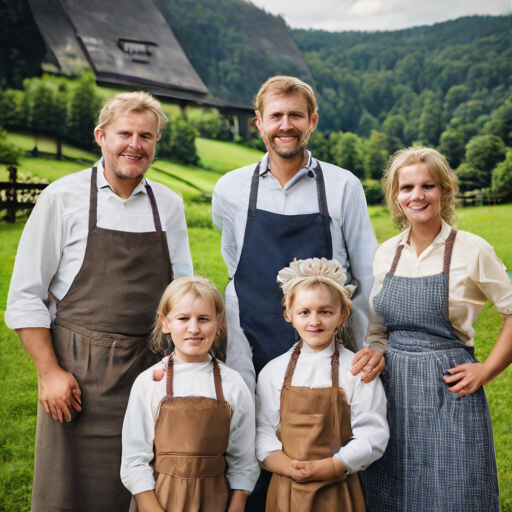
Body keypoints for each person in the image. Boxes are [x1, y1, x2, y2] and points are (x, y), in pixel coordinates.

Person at [5, 91, 193, 512]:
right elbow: (25, 297)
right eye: (124, 133)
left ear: (156, 143)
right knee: (68, 492)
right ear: (101, 136)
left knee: (144, 486)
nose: (135, 144)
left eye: (146, 136)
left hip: (151, 373)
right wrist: (49, 372)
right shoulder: (62, 198)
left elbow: (181, 292)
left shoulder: (169, 205)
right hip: (77, 376)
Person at [212, 75, 383, 511]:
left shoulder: (343, 185)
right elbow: (234, 262)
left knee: (324, 446)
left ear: (312, 122)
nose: (285, 125)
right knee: (254, 439)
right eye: (276, 116)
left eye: (295, 115)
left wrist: (367, 347)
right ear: (258, 123)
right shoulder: (230, 188)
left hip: (326, 340)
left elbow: (365, 273)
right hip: (251, 338)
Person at [360, 147, 512, 511]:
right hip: (391, 392)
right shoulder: (386, 253)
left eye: (428, 185)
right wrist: (375, 351)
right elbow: (379, 328)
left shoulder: (472, 250)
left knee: (454, 493)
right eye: (407, 187)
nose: (417, 195)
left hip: (450, 391)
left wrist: (487, 370)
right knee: (391, 491)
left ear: (444, 191)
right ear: (396, 196)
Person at [256, 258, 389, 512]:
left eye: (325, 312)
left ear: (343, 314)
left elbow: (373, 433)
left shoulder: (356, 370)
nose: (314, 321)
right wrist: (288, 467)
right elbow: (262, 430)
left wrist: (333, 465)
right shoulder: (274, 372)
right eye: (304, 312)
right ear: (289, 315)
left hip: (337, 489)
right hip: (286, 490)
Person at [121, 276, 260, 512]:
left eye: (203, 319)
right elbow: (134, 461)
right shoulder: (150, 382)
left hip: (216, 500)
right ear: (165, 323)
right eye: (183, 318)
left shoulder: (233, 384)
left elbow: (244, 460)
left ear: (219, 322)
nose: (194, 328)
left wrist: (236, 506)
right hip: (159, 501)